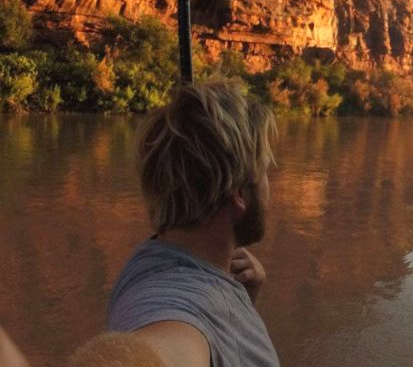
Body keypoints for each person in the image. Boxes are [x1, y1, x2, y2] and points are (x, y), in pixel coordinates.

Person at [74, 81, 281, 367]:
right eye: (266, 173)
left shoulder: (152, 262)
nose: (270, 187)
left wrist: (243, 297)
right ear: (240, 194)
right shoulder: (175, 305)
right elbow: (159, 349)